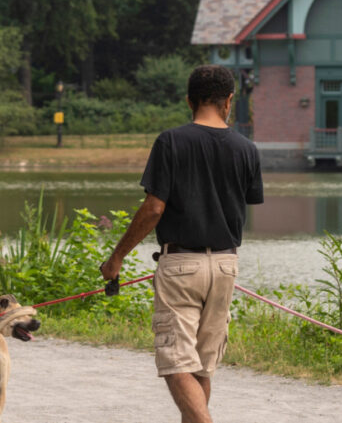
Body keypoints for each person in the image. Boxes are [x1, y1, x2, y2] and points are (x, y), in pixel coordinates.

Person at [99, 64, 263, 423]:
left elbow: (154, 208)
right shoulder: (247, 149)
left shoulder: (171, 141)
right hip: (225, 265)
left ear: (189, 101)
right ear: (229, 101)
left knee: (175, 364)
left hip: (181, 265)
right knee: (201, 368)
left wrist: (116, 257)